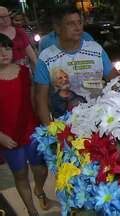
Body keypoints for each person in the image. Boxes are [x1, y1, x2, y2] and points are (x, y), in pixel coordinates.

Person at [34, 5, 119, 126]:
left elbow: (115, 79)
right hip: (66, 126)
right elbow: (41, 99)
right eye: (70, 24)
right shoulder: (46, 58)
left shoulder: (96, 49)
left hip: (100, 121)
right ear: (58, 28)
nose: (78, 27)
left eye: (79, 22)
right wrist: (50, 131)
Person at [0, 33, 49, 216]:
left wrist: (42, 124)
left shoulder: (23, 72)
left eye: (6, 48)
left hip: (31, 129)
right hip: (8, 136)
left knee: (41, 169)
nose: (3, 53)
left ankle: (39, 188)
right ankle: (31, 210)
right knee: (20, 175)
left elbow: (33, 101)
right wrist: (1, 137)